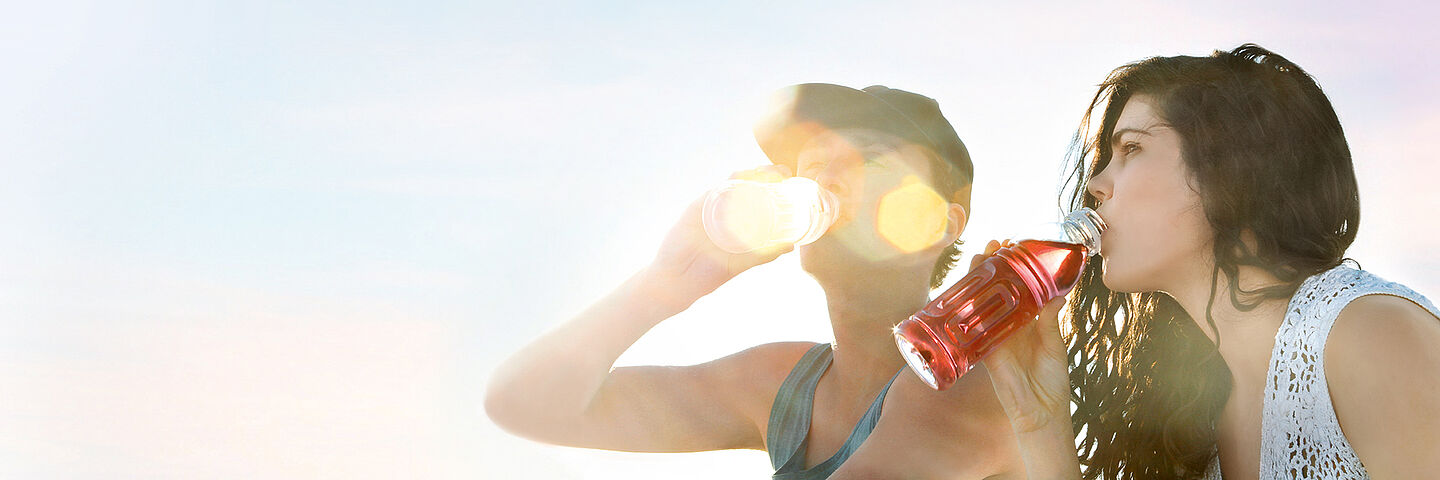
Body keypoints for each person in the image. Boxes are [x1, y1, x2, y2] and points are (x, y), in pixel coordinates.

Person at [486, 84, 1027, 478]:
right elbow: (523, 403)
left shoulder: (971, 392)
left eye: (868, 157)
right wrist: (663, 286)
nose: (827, 179)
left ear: (937, 222)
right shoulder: (783, 384)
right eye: (814, 164)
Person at [979, 44, 1440, 479]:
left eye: (1132, 148)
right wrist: (1039, 421)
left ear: (1230, 167)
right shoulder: (1198, 413)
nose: (1096, 184)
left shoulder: (1370, 334)